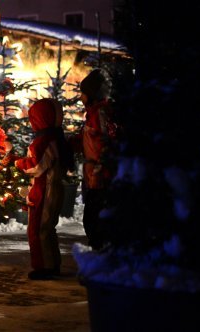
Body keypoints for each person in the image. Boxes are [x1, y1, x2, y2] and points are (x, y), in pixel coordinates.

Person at [15, 98, 74, 280]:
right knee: (47, 229)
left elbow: (36, 166)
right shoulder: (58, 139)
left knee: (39, 229)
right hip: (51, 188)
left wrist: (17, 162)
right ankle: (51, 264)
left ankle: (44, 267)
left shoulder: (43, 141)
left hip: (44, 191)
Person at [72, 68, 115, 250]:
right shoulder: (92, 114)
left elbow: (105, 143)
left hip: (100, 175)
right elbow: (87, 140)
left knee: (95, 217)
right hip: (92, 174)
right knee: (91, 216)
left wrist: (99, 170)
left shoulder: (100, 114)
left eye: (83, 93)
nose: (80, 97)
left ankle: (101, 254)